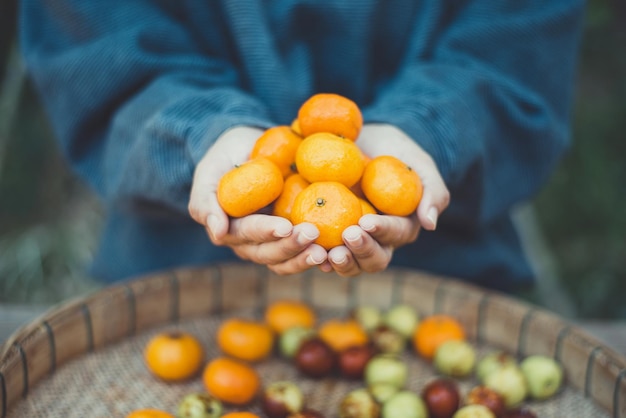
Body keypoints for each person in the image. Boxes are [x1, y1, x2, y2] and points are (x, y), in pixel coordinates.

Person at [19, 0, 585, 293]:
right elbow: (99, 53)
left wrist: (426, 131)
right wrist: (205, 134)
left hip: (447, 293)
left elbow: (515, 53)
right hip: (176, 291)